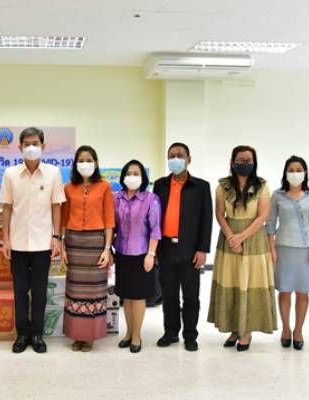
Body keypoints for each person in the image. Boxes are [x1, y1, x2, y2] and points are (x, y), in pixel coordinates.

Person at [0, 127, 66, 354]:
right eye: (27, 144)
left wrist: (56, 237)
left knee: (39, 293)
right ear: (19, 147)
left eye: (35, 143)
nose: (31, 147)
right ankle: (22, 334)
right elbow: (7, 208)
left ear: (43, 146)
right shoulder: (10, 174)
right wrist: (5, 239)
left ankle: (37, 334)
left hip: (42, 243)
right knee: (20, 292)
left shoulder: (53, 173)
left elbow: (56, 207)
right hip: (17, 244)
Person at [208, 145, 277, 351]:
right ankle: (234, 328)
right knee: (232, 282)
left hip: (254, 240)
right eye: (240, 160)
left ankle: (246, 331)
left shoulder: (262, 186)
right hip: (228, 239)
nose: (245, 163)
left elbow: (263, 216)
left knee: (250, 283)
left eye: (249, 160)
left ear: (254, 163)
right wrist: (232, 237)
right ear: (232, 162)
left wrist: (241, 237)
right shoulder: (222, 186)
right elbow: (220, 214)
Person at [152, 142, 212, 352]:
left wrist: (203, 249)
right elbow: (154, 218)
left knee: (190, 296)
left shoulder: (201, 186)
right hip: (166, 248)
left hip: (190, 249)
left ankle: (190, 335)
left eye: (180, 155)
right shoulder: (160, 185)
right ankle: (170, 332)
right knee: (169, 295)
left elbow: (206, 219)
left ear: (189, 159)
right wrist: (154, 249)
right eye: (172, 156)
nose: (175, 159)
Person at [266, 156, 309, 350]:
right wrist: (271, 249)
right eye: (291, 170)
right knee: (284, 290)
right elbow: (270, 225)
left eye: (299, 169)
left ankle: (298, 330)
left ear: (305, 172)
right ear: (285, 173)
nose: (295, 173)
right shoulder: (277, 195)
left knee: (302, 291)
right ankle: (285, 328)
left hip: (306, 250)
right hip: (283, 249)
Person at [60, 145, 115, 352]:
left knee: (94, 291)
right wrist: (62, 246)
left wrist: (107, 248)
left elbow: (109, 220)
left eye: (88, 160)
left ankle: (89, 336)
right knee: (75, 290)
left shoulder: (104, 187)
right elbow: (63, 219)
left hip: (96, 243)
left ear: (96, 163)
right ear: (75, 164)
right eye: (81, 160)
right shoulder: (68, 188)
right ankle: (77, 335)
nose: (85, 164)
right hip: (74, 243)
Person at [113, 159, 162, 353]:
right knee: (126, 296)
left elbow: (155, 229)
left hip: (142, 254)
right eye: (129, 173)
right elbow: (112, 226)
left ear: (143, 178)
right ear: (123, 176)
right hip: (122, 254)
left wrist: (151, 254)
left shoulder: (151, 199)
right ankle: (128, 332)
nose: (132, 177)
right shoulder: (116, 198)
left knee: (138, 296)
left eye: (136, 174)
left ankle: (136, 335)